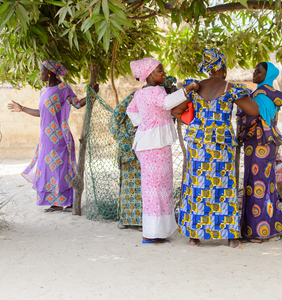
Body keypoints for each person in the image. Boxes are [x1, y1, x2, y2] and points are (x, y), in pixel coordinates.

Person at [172, 48, 260, 248]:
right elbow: (253, 110)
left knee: (197, 186)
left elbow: (176, 110)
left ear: (207, 68)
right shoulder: (230, 88)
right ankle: (230, 238)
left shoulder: (194, 87)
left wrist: (197, 124)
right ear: (223, 68)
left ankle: (194, 237)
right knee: (224, 186)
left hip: (198, 144)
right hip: (221, 145)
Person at [7, 60, 98, 213]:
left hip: (60, 137)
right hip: (45, 137)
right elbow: (42, 113)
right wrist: (21, 108)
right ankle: (57, 201)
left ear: (49, 72)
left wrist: (91, 95)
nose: (39, 74)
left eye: (41, 71)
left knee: (61, 169)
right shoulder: (43, 91)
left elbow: (77, 104)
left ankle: (65, 202)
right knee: (46, 168)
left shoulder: (63, 88)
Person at [126, 58, 199, 244]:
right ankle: (152, 233)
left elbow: (130, 111)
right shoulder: (156, 91)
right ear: (150, 74)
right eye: (160, 71)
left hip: (145, 143)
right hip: (155, 145)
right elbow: (167, 103)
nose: (163, 74)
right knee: (158, 188)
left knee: (154, 187)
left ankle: (155, 231)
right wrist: (188, 89)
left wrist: (140, 125)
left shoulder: (139, 93)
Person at [108, 76, 177, 231]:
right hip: (132, 145)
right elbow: (115, 119)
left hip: (149, 146)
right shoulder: (137, 96)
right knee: (130, 184)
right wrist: (126, 137)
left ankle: (142, 222)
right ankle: (127, 219)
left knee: (145, 185)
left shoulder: (159, 101)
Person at [237, 61, 282, 243]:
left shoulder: (261, 95)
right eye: (255, 70)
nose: (254, 73)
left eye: (259, 71)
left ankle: (258, 231)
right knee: (265, 184)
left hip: (259, 143)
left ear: (268, 75)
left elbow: (253, 115)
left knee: (256, 185)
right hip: (265, 143)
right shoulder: (270, 94)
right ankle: (269, 228)